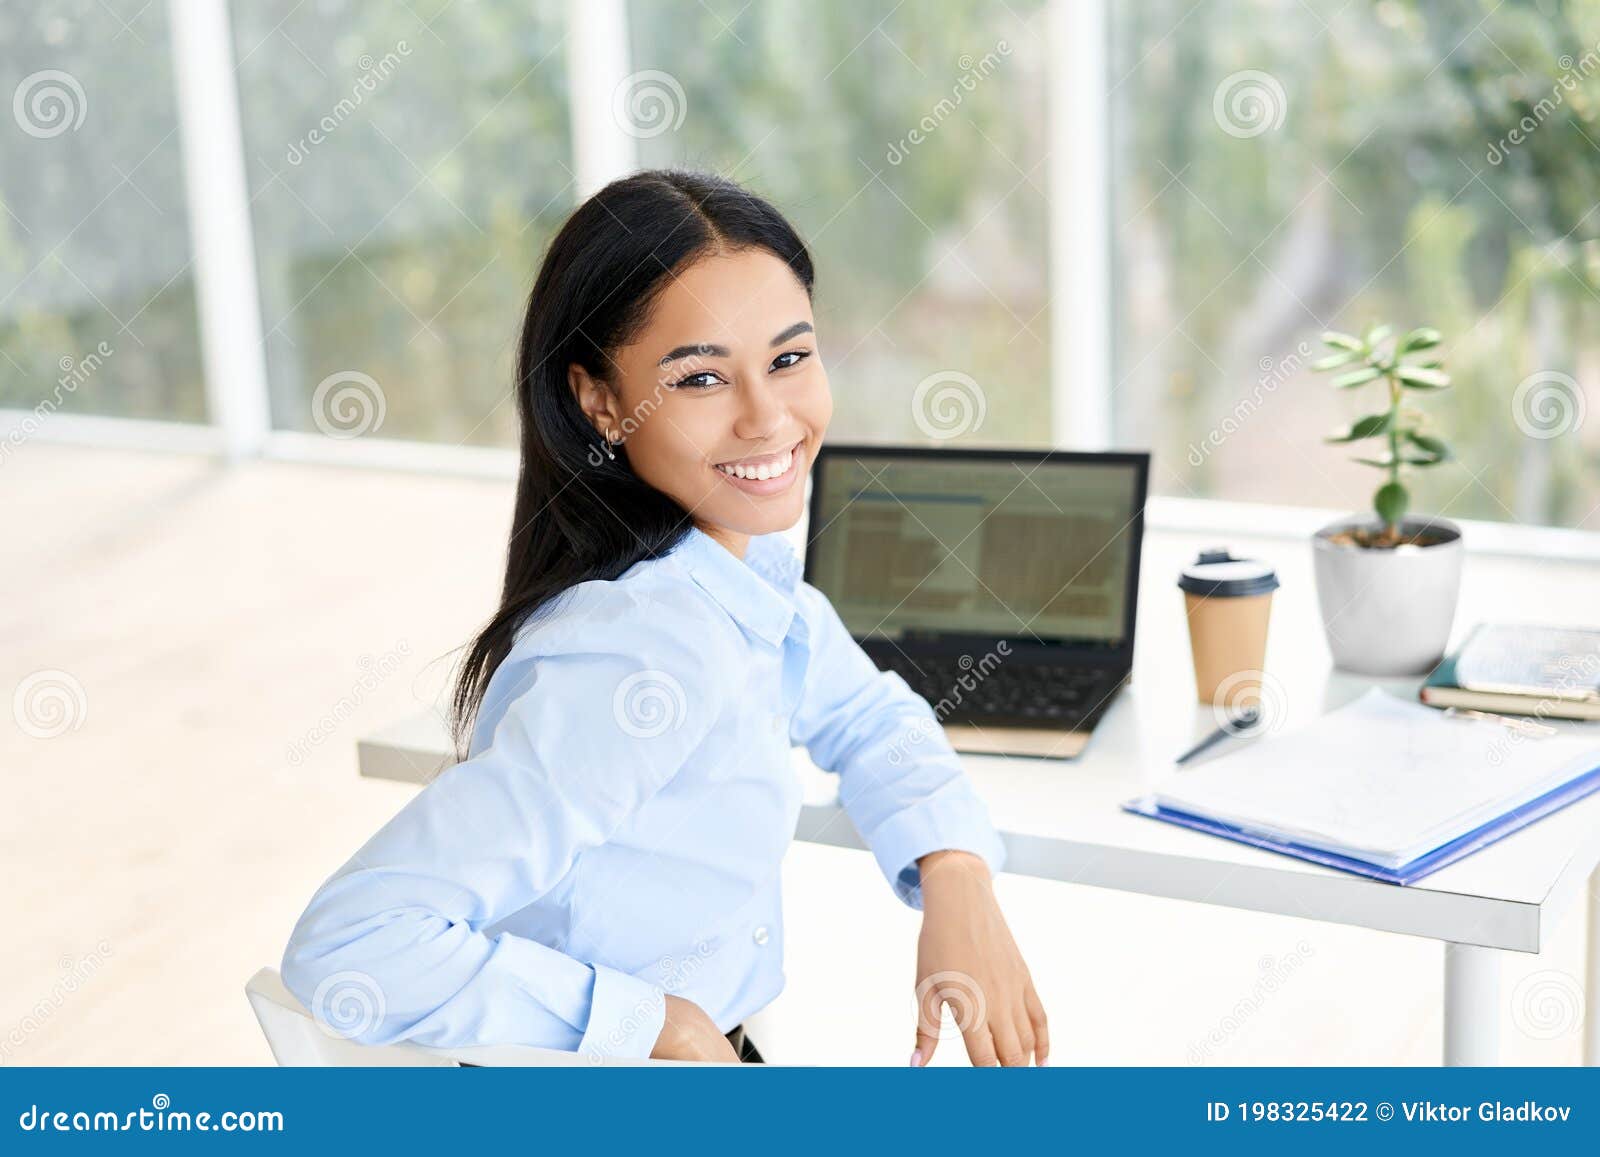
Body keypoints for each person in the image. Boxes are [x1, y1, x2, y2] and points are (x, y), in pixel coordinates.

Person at [281, 169, 1048, 1067]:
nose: (768, 417)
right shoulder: (640, 649)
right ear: (600, 399)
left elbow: (862, 711)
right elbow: (349, 946)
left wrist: (953, 869)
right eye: (700, 378)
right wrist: (649, 1022)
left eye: (790, 358)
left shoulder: (737, 572)